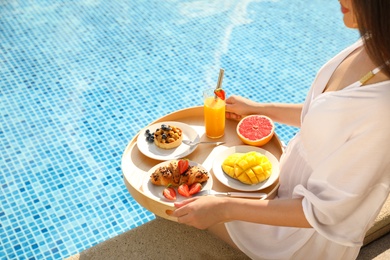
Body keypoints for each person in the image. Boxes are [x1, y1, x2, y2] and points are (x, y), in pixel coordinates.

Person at [170, 0, 390, 259]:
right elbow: (328, 117)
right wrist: (261, 109)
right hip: (281, 184)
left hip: (299, 236)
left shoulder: (383, 109)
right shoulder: (375, 44)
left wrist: (224, 208)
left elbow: (323, 212)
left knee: (171, 205)